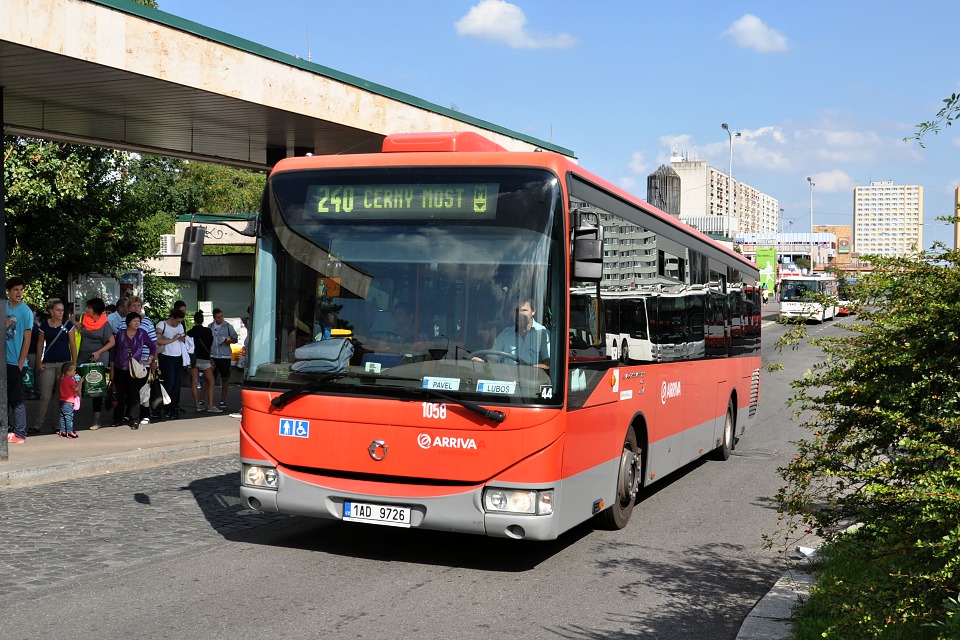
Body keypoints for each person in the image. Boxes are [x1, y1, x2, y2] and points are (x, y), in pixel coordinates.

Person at [30, 298, 77, 434]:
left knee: (60, 395)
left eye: (62, 310)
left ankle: (58, 424)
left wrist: (74, 363)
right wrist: (39, 362)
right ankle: (38, 424)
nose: (61, 312)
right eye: (58, 310)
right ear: (51, 311)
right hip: (49, 363)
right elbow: (39, 344)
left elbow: (72, 345)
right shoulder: (45, 325)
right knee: (45, 395)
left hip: (64, 364)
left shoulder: (68, 324)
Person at [110, 312, 157, 430]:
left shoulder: (142, 333)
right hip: (120, 367)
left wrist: (149, 360)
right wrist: (112, 367)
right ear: (128, 322)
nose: (137, 323)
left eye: (138, 321)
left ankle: (134, 419)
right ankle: (118, 418)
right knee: (120, 394)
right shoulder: (121, 334)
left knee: (134, 394)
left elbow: (153, 346)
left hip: (135, 369)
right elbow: (114, 351)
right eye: (134, 320)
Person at [474, 298, 550, 368]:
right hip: (508, 380)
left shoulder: (543, 333)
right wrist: (483, 363)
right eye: (516, 310)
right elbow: (493, 359)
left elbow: (548, 364)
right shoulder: (505, 335)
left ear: (533, 311)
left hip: (533, 380)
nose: (519, 314)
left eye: (523, 310)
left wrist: (529, 369)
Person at [76, 297, 116, 430]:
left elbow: (112, 341)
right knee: (75, 385)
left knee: (96, 389)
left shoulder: (105, 324)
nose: (86, 309)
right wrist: (76, 324)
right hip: (81, 357)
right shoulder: (83, 318)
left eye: (89, 308)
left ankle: (96, 419)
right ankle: (68, 416)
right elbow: (71, 317)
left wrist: (99, 351)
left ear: (96, 311)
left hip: (97, 359)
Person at [6, 277, 34, 443]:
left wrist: (20, 362)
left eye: (21, 289)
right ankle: (8, 428)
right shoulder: (4, 307)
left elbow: (27, 339)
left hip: (15, 362)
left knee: (16, 398)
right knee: (5, 398)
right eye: (15, 289)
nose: (19, 292)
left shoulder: (25, 312)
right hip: (4, 361)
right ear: (8, 291)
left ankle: (21, 433)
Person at [155, 308, 187, 419]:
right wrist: (172, 339)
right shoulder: (162, 324)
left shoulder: (180, 326)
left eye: (180, 322)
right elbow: (157, 340)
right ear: (172, 318)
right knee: (169, 382)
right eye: (177, 321)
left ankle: (171, 408)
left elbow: (183, 338)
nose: (178, 324)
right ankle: (159, 406)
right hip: (166, 356)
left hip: (178, 356)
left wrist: (182, 338)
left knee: (176, 384)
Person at [186, 310, 217, 412]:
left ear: (194, 320)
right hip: (204, 359)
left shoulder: (191, 332)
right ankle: (210, 405)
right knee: (211, 381)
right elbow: (210, 344)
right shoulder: (208, 331)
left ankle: (197, 406)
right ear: (202, 320)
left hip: (194, 359)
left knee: (194, 382)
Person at [208, 308, 238, 411]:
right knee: (210, 379)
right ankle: (208, 401)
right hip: (213, 356)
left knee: (225, 378)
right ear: (214, 318)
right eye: (218, 317)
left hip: (225, 356)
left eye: (221, 316)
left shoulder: (228, 326)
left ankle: (222, 400)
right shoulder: (210, 326)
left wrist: (229, 340)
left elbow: (235, 339)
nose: (220, 319)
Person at [57, 362, 82, 439]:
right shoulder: (70, 380)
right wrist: (81, 382)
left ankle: (62, 430)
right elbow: (76, 389)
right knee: (69, 417)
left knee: (62, 416)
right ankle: (69, 431)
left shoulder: (63, 379)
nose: (75, 372)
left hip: (62, 400)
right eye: (74, 370)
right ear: (68, 372)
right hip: (69, 401)